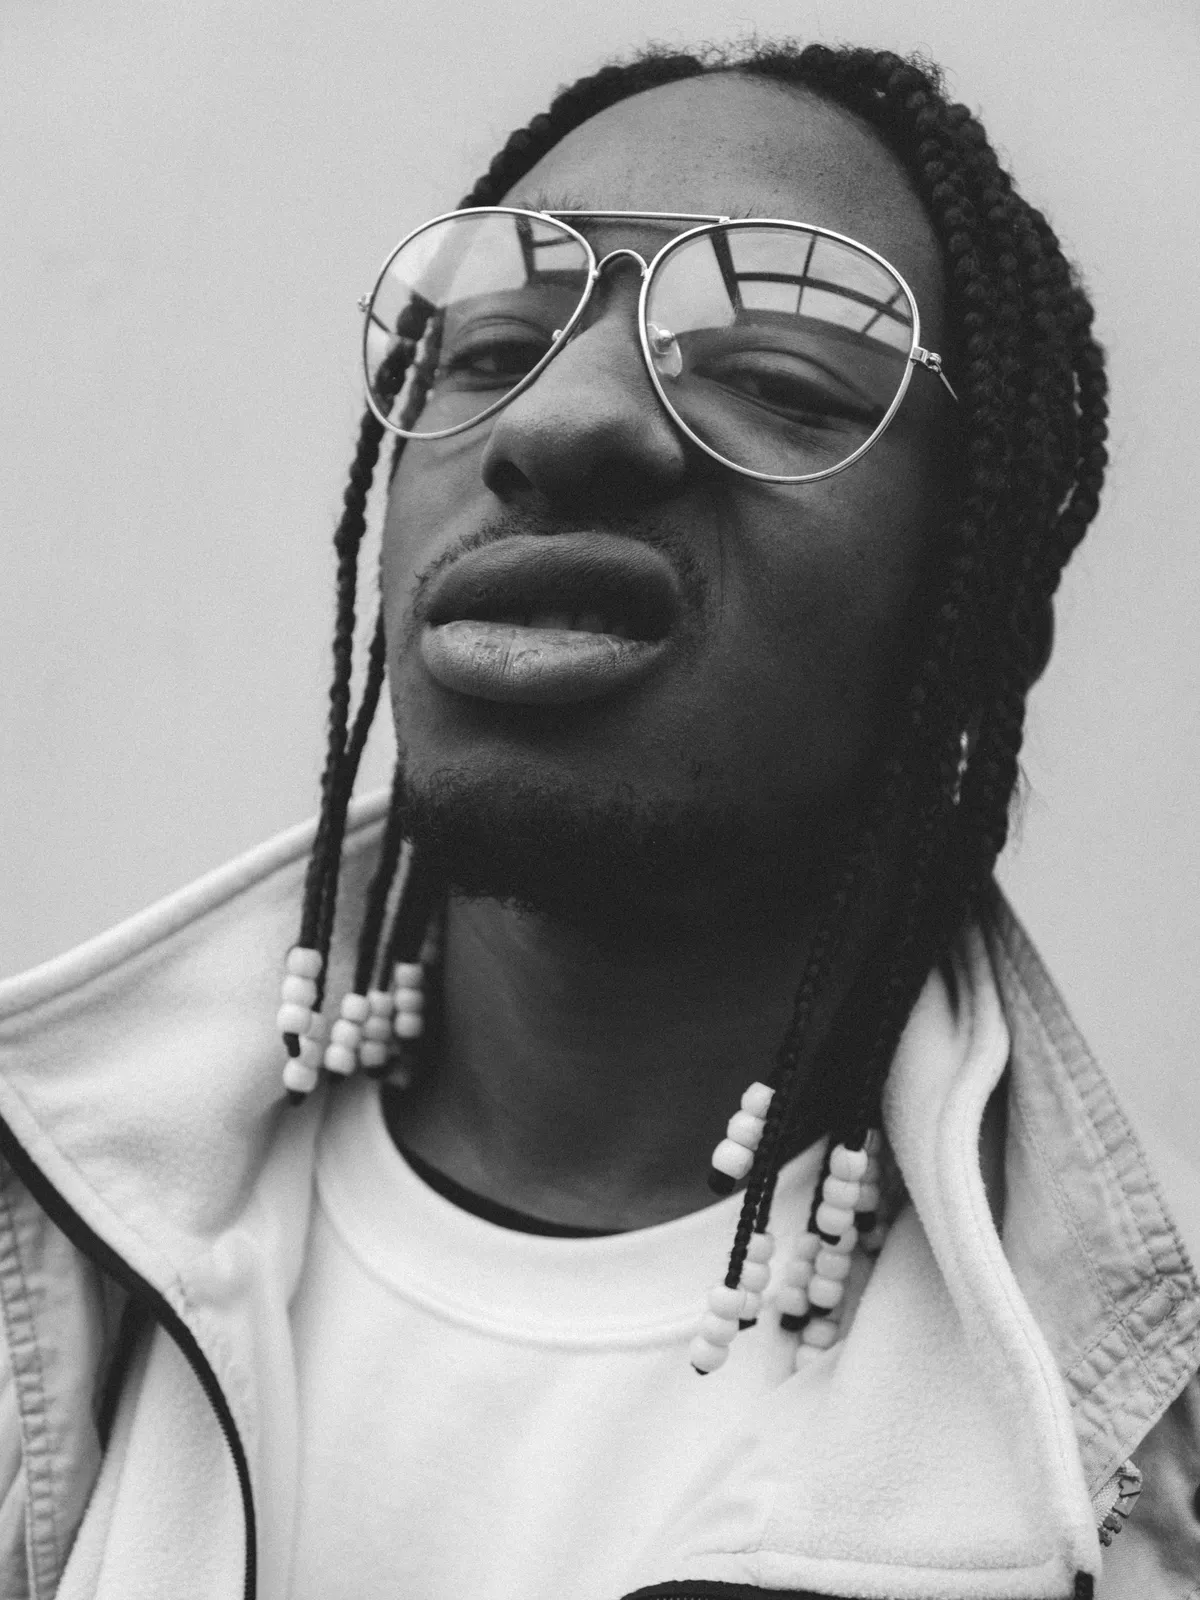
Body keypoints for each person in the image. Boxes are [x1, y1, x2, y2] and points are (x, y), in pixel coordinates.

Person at [0, 38, 1196, 1600]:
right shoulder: (40, 1230)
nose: (559, 420)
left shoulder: (1147, 1439)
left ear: (976, 613)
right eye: (491, 347)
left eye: (778, 380)